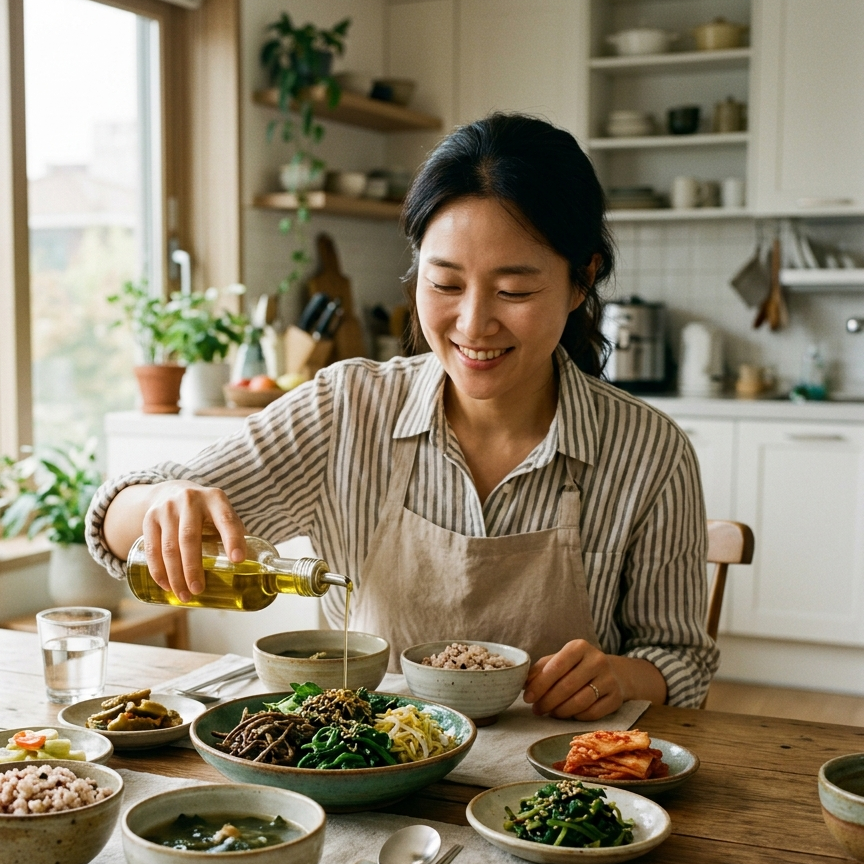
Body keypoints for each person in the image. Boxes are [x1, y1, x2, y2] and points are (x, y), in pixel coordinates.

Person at [86, 112, 718, 716]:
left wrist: (617, 675)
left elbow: (680, 660)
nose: (473, 324)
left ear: (582, 281)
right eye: (445, 284)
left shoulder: (648, 450)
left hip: (551, 792)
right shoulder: (345, 410)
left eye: (515, 291)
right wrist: (166, 500)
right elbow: (115, 527)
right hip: (362, 769)